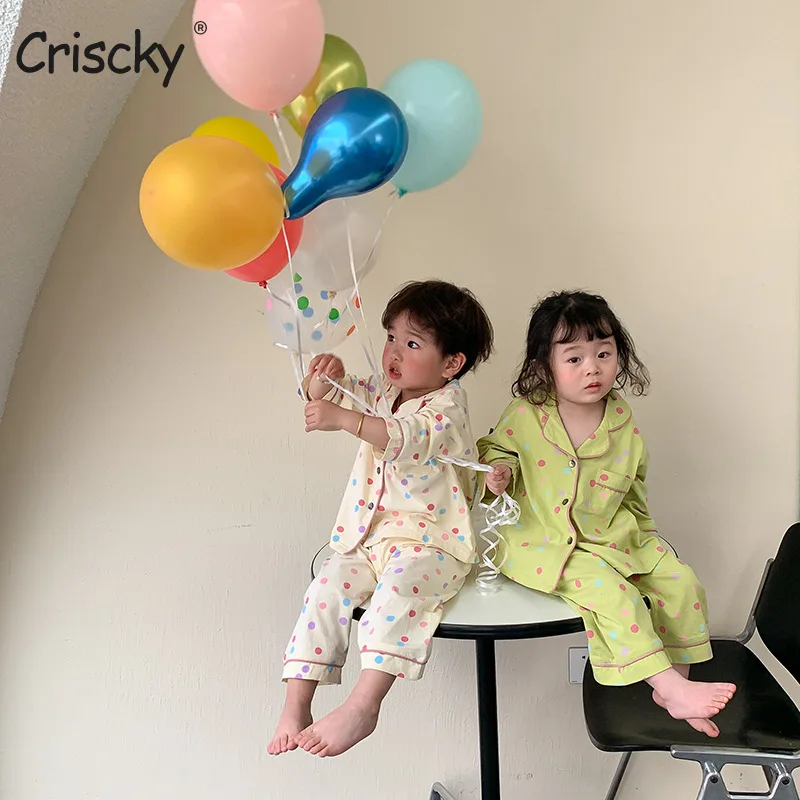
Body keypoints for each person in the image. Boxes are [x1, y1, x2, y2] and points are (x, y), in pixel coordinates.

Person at [477, 290, 735, 737]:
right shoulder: (525, 414)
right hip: (540, 541)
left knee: (681, 581)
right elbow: (496, 452)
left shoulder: (622, 421)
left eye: (603, 353)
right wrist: (499, 474)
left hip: (612, 536)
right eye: (574, 358)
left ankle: (676, 687)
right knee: (614, 595)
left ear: (619, 354)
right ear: (544, 366)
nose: (592, 368)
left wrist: (648, 542)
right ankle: (670, 687)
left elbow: (632, 488)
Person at [268, 279, 494, 757]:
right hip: (368, 538)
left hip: (431, 543)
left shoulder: (448, 407)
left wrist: (344, 420)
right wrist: (321, 378)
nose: (393, 351)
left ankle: (363, 705)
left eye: (412, 344)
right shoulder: (383, 389)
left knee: (397, 595)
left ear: (451, 364)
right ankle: (296, 703)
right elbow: (335, 395)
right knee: (325, 590)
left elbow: (403, 437)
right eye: (391, 336)